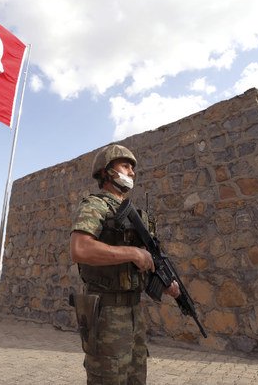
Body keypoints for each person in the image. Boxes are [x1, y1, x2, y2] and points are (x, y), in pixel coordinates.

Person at [70, 144, 180, 384]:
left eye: (133, 168)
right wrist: (131, 253)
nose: (132, 172)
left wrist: (164, 285)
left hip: (133, 313)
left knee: (135, 378)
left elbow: (143, 264)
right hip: (106, 314)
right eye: (125, 165)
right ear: (107, 171)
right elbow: (80, 249)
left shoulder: (135, 215)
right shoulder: (95, 205)